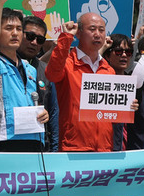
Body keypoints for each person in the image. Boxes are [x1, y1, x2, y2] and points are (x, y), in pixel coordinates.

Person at [0, 0, 48, 152]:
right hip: (3, 144)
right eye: (8, 28)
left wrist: (44, 115)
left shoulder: (30, 69)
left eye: (18, 29)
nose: (15, 33)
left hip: (35, 144)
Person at [46, 13, 130, 152]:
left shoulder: (108, 69)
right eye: (92, 29)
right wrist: (66, 38)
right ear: (78, 33)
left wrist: (126, 106)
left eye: (101, 30)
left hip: (104, 149)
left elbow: (112, 113)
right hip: (73, 148)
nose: (97, 34)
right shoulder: (67, 63)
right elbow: (52, 74)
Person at [17, 15, 59, 152]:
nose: (34, 42)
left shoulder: (45, 70)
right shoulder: (1, 64)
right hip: (8, 147)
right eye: (29, 36)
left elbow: (53, 112)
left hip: (41, 148)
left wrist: (54, 150)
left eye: (40, 39)